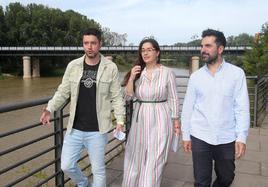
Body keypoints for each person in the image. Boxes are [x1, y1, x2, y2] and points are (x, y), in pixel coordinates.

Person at [39, 28, 125, 187]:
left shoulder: (110, 67)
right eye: (86, 43)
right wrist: (49, 108)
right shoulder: (74, 66)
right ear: (83, 44)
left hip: (97, 130)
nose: (89, 47)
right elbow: (63, 91)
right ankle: (83, 183)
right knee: (66, 165)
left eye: (93, 43)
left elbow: (117, 97)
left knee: (98, 171)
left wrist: (120, 120)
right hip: (75, 129)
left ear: (100, 44)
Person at [181, 29, 250, 187]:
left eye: (208, 46)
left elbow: (242, 108)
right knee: (201, 181)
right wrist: (186, 135)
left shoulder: (237, 74)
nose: (203, 50)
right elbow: (188, 108)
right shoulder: (195, 77)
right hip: (200, 135)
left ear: (220, 49)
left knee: (226, 178)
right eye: (202, 46)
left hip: (226, 136)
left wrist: (241, 137)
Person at [121, 38, 181, 187]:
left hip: (161, 118)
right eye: (143, 50)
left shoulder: (167, 73)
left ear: (157, 52)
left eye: (149, 50)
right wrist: (132, 78)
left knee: (156, 159)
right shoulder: (138, 72)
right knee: (134, 156)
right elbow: (128, 97)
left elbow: (173, 98)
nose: (145, 53)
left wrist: (176, 122)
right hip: (140, 118)